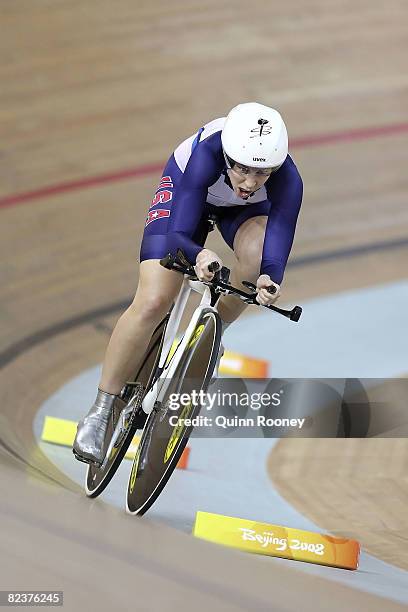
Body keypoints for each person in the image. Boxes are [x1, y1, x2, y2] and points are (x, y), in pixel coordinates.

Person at [73, 102, 303, 465]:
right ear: (228, 155)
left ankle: (212, 338)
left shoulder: (288, 178)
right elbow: (180, 232)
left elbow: (278, 242)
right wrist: (197, 255)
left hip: (242, 215)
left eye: (262, 173)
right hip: (187, 196)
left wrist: (269, 279)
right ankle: (101, 412)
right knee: (153, 300)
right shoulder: (207, 154)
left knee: (257, 258)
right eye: (242, 169)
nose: (249, 182)